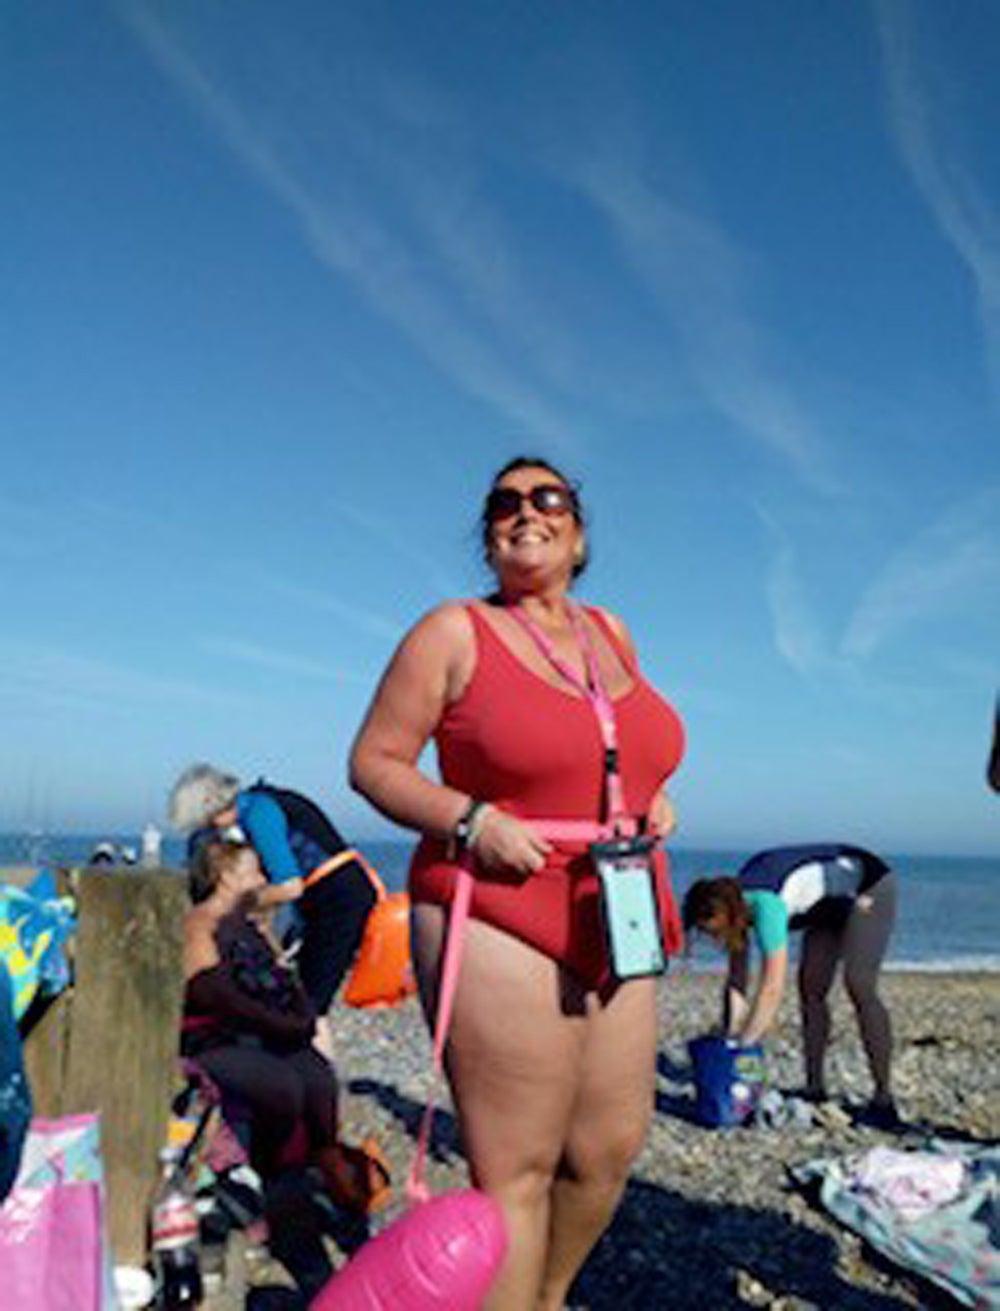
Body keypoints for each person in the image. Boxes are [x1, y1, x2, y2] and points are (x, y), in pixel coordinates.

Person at [349, 455, 685, 1310]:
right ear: (487, 533)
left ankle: (541, 1297)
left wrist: (651, 800)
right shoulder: (453, 630)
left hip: (619, 904)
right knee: (517, 1166)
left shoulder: (612, 630)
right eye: (503, 503)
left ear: (577, 531)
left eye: (547, 498)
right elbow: (375, 763)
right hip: (495, 903)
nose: (523, 512)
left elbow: (616, 748)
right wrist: (471, 820)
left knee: (606, 1150)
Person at [180, 837, 389, 1210]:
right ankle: (269, 1172)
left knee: (320, 1079)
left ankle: (324, 1166)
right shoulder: (202, 924)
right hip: (217, 1037)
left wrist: (299, 1016)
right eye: (253, 870)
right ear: (226, 876)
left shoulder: (250, 925)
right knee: (283, 1087)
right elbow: (212, 992)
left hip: (264, 1031)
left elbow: (283, 978)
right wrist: (272, 1022)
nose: (263, 877)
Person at [683, 842, 899, 1128]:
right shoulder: (732, 906)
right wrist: (730, 1039)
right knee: (811, 990)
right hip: (824, 905)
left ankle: (883, 1097)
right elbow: (737, 981)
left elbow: (771, 987)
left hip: (868, 885)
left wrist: (746, 1044)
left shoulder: (766, 905)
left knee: (859, 984)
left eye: (715, 931)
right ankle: (815, 1088)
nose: (715, 939)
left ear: (728, 914)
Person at [168, 767, 378, 1048]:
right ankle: (309, 1068)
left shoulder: (260, 814)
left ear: (211, 811)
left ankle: (317, 1074)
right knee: (304, 996)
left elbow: (290, 886)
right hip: (326, 897)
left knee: (312, 1005)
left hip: (338, 899)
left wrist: (232, 904)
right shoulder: (259, 803)